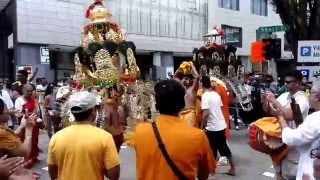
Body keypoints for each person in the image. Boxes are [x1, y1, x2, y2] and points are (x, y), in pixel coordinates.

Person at [134, 80, 215, 180]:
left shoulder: (140, 132)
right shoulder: (198, 136)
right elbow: (204, 174)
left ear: (156, 105)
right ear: (182, 104)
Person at [47, 91, 120, 180]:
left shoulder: (56, 138)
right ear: (93, 111)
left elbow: (53, 174)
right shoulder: (105, 137)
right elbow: (114, 175)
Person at [263, 70, 310, 180]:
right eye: (285, 82)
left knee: (291, 174)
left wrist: (274, 101)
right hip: (280, 140)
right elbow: (270, 111)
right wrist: (265, 102)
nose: (286, 84)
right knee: (279, 173)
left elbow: (289, 115)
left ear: (297, 83)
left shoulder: (302, 99)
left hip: (294, 144)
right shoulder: (284, 95)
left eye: (289, 82)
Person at [274, 79, 320, 180]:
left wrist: (281, 118)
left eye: (311, 93)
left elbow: (291, 139)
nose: (309, 97)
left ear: (317, 97)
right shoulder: (284, 95)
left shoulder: (315, 118)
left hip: (311, 171)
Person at [201, 76, 236, 176]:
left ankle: (211, 171)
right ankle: (232, 168)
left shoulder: (205, 96)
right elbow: (219, 107)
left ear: (201, 84)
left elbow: (206, 113)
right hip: (220, 124)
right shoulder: (215, 94)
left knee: (212, 149)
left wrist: (202, 126)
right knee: (223, 148)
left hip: (212, 127)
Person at [14, 84, 40, 167]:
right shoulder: (19, 100)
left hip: (34, 123)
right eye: (28, 91)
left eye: (31, 91)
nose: (30, 93)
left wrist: (35, 115)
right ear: (23, 91)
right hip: (25, 124)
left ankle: (34, 156)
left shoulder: (33, 99)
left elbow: (36, 110)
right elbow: (18, 113)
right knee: (26, 140)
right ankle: (26, 159)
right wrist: (26, 115)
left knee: (34, 140)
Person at [174, 62, 200, 127]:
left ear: (190, 80)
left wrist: (192, 66)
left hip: (190, 114)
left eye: (186, 78)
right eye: (183, 79)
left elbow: (197, 77)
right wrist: (180, 68)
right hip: (180, 114)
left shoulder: (193, 89)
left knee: (190, 132)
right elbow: (174, 77)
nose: (184, 80)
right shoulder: (181, 88)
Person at [103, 87, 124, 153]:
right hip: (118, 134)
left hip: (111, 136)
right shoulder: (118, 106)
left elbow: (106, 121)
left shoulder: (108, 106)